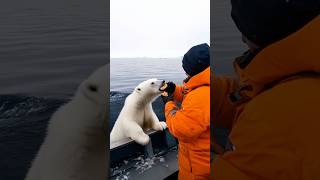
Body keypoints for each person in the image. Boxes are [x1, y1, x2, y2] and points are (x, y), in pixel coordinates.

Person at [212, 0, 320, 179]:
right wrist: (201, 88)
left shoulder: (274, 121)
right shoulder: (299, 76)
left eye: (245, 31)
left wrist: (205, 155)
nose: (242, 39)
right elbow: (250, 97)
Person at [161, 43, 210, 180]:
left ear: (193, 69)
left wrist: (168, 103)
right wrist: (174, 89)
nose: (185, 72)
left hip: (198, 168)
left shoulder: (201, 96)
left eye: (186, 69)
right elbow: (188, 94)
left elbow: (180, 128)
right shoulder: (206, 85)